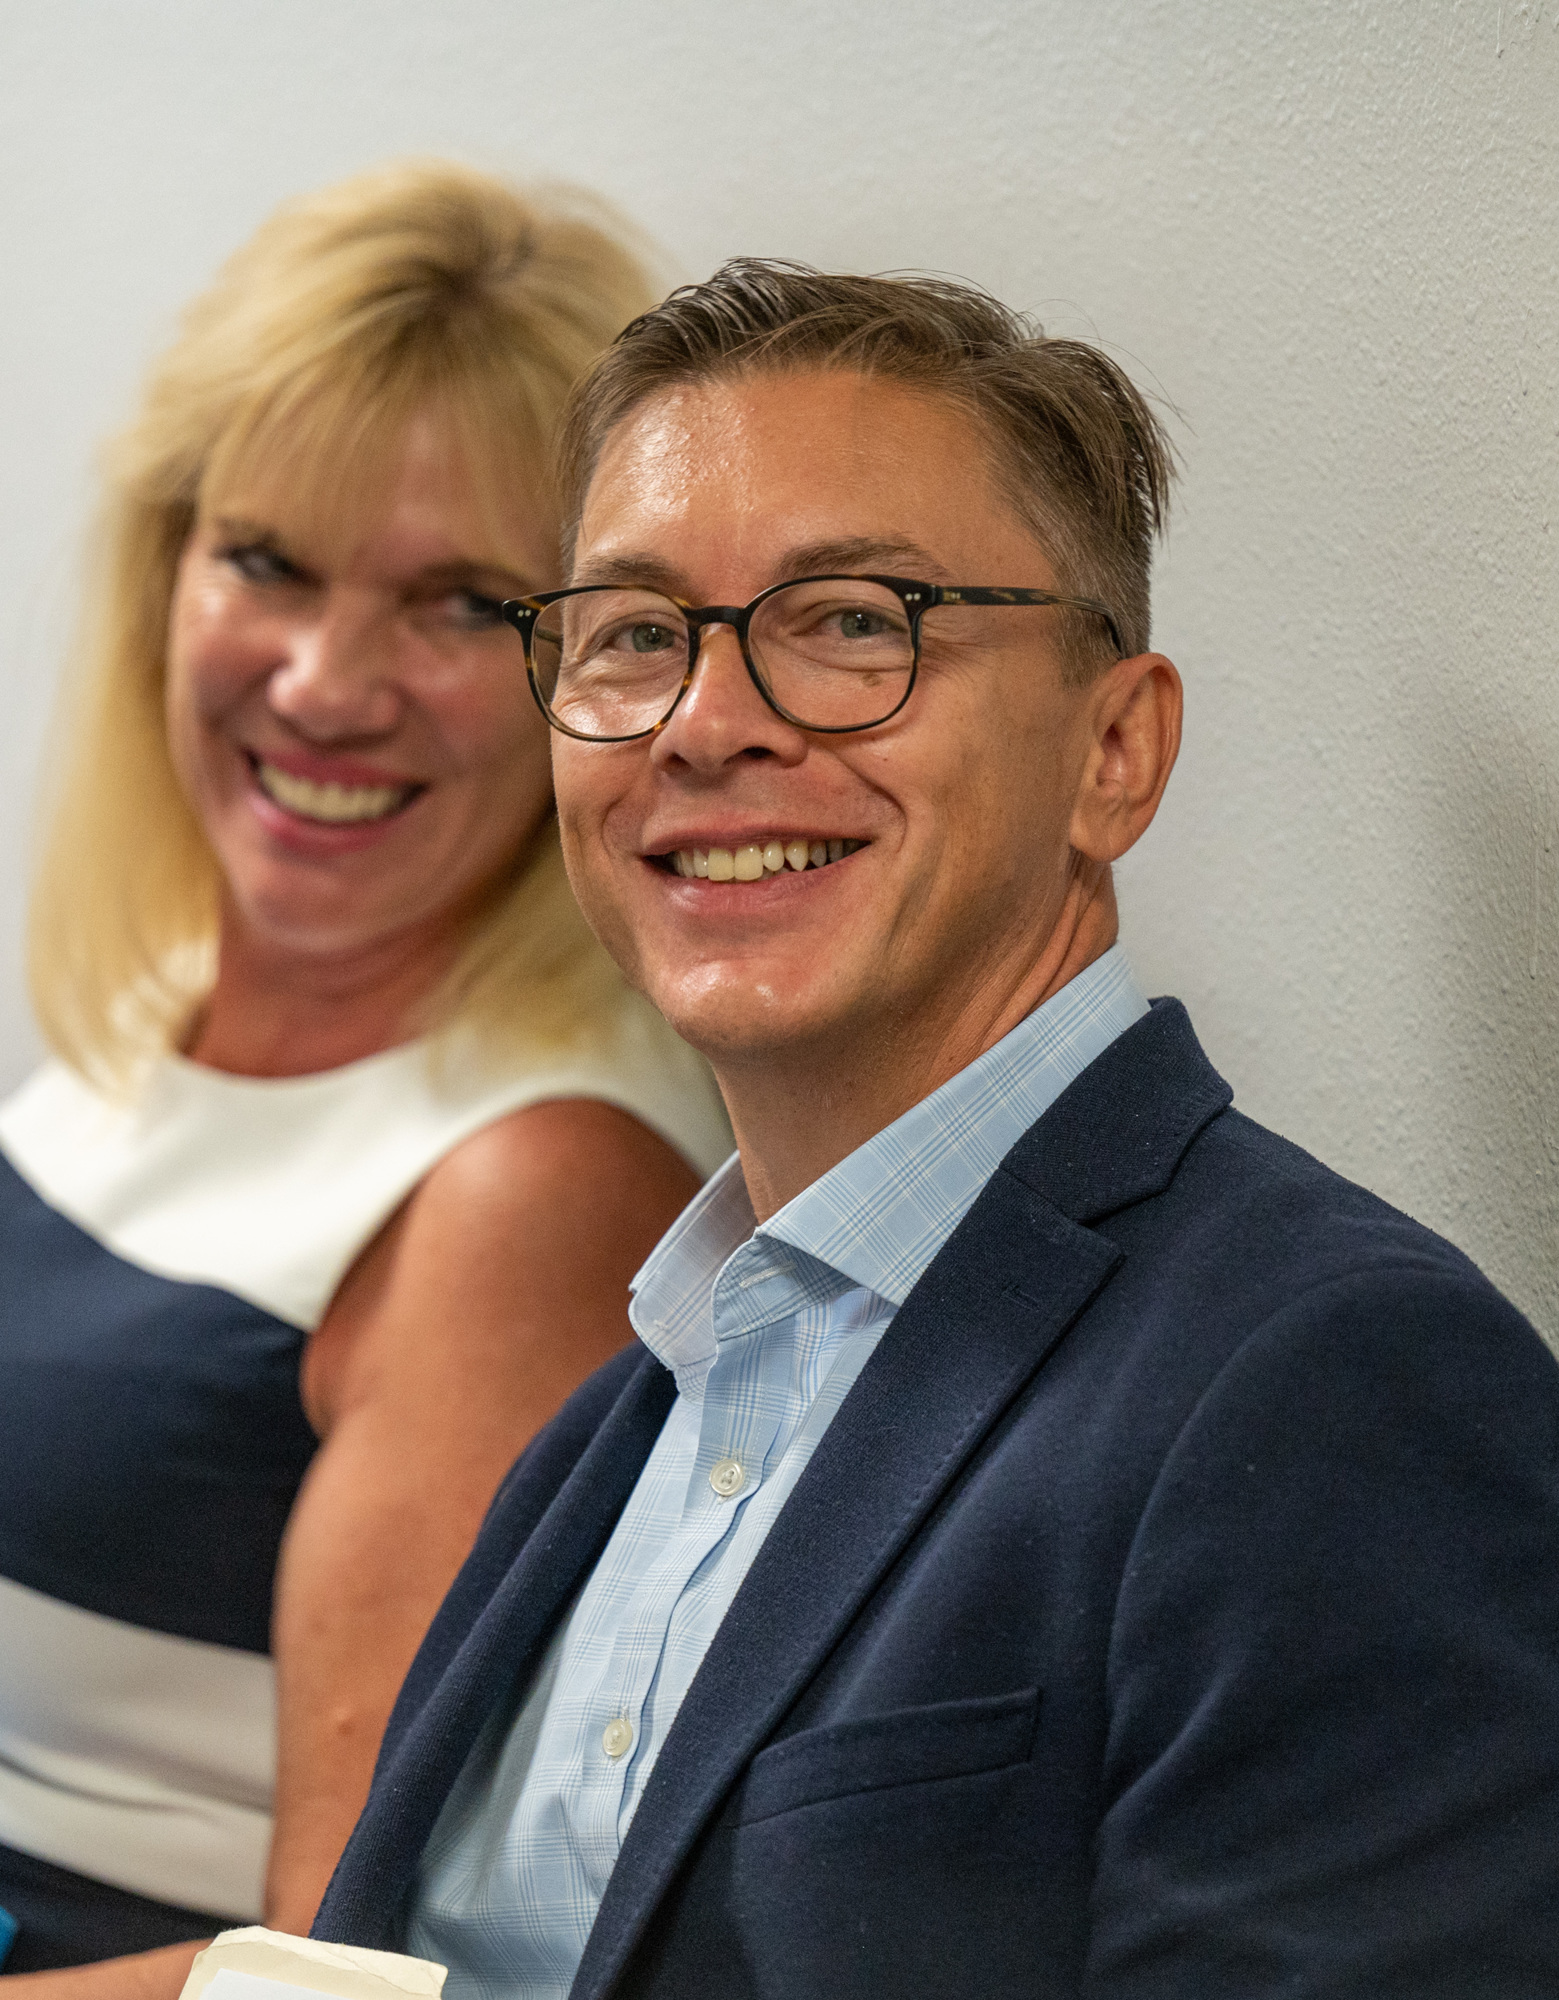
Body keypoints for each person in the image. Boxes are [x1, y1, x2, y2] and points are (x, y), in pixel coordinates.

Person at [314, 262, 1559, 1995]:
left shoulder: (1340, 1383)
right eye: (632, 636)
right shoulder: (616, 1433)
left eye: (853, 622)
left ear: (1115, 754)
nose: (706, 724)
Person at [0, 166, 731, 1989]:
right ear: (164, 567)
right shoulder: (161, 996)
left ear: (600, 664)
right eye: (269, 560)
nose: (326, 686)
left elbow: (336, 1978)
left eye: (462, 607)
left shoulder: (522, 1189)